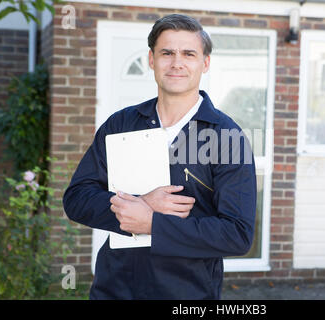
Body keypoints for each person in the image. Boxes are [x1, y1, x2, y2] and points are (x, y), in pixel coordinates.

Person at [63, 14, 257, 300]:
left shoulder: (227, 136)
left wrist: (152, 223)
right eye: (167, 53)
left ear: (205, 63)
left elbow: (237, 234)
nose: (177, 63)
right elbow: (77, 198)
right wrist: (139, 206)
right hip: (114, 288)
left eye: (188, 54)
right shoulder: (121, 124)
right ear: (152, 60)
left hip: (187, 294)